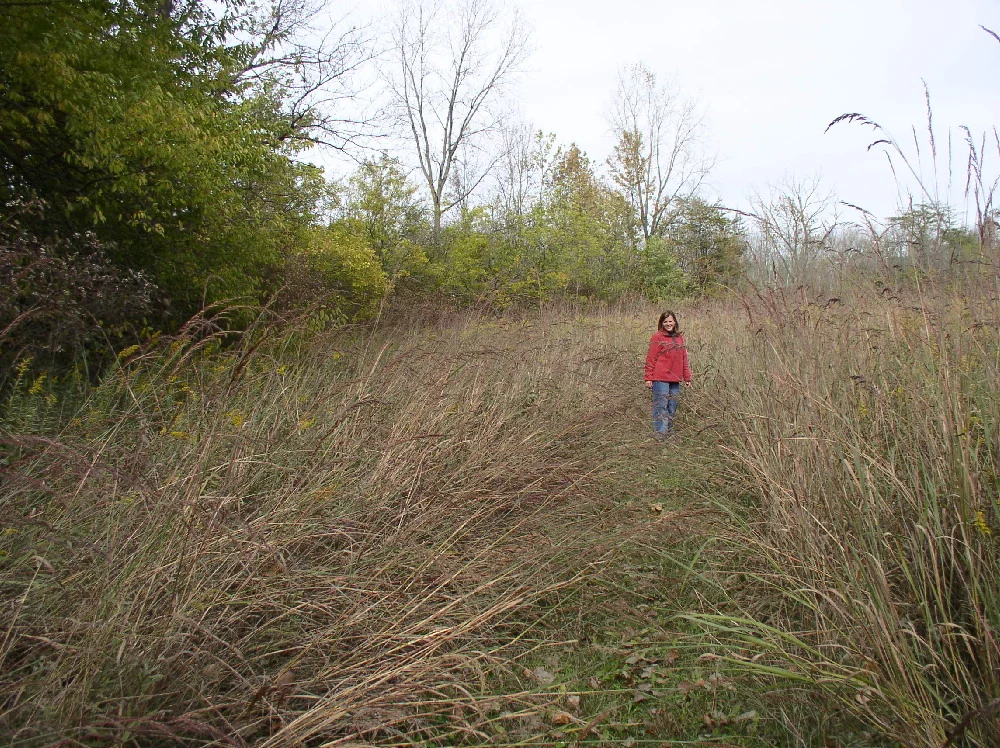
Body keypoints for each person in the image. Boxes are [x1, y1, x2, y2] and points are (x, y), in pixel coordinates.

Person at [644, 311, 692, 436]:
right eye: (665, 322)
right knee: (661, 407)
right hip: (660, 378)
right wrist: (648, 377)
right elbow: (651, 358)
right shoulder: (657, 337)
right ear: (661, 323)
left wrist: (687, 377)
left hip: (675, 379)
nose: (668, 324)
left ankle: (669, 435)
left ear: (675, 322)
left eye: (670, 321)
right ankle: (660, 436)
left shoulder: (679, 338)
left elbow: (684, 358)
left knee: (672, 407)